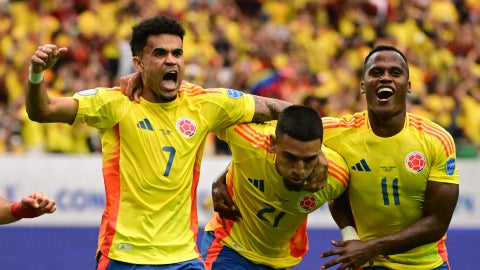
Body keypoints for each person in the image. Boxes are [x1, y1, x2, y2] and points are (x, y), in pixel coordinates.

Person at [25, 15, 324, 270]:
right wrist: (37, 74)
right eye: (159, 53)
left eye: (177, 53)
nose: (171, 60)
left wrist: (318, 148)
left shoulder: (204, 104)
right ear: (139, 63)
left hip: (183, 256)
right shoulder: (115, 104)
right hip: (124, 254)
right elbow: (43, 110)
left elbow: (276, 109)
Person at [320, 45, 459, 269]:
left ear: (409, 86)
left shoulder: (436, 139)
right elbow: (282, 128)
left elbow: (437, 222)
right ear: (363, 86)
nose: (385, 78)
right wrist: (350, 236)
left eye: (395, 73)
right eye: (376, 72)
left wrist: (371, 247)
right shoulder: (336, 133)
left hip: (425, 263)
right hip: (367, 261)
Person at [201, 105, 350, 269]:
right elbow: (210, 108)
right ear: (272, 144)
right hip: (229, 246)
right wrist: (222, 176)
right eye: (289, 157)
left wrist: (350, 235)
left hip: (279, 260)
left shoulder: (336, 175)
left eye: (309, 159)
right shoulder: (246, 138)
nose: (299, 170)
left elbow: (343, 197)